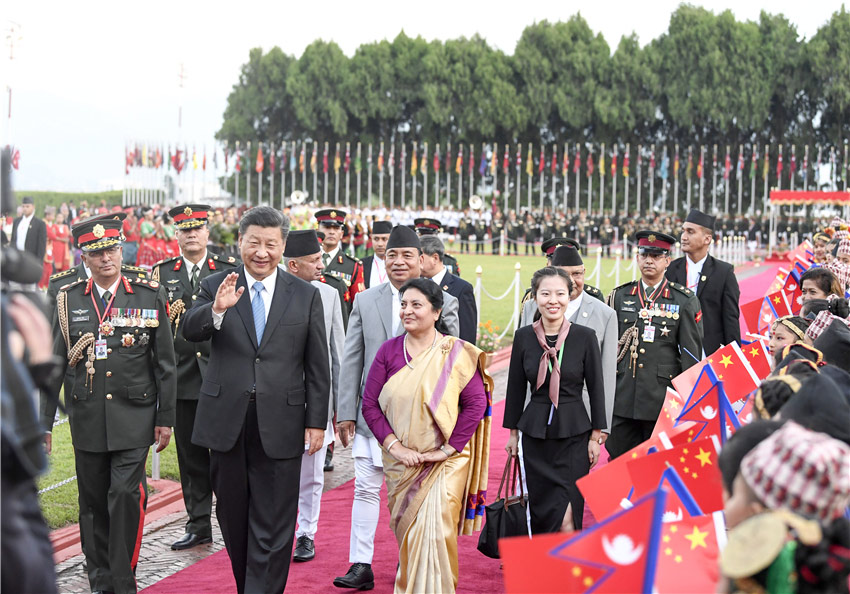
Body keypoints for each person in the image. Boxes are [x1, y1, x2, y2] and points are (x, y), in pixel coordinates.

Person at [181, 206, 330, 594]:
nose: (261, 252)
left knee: (276, 520)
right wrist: (216, 309)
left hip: (282, 421)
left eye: (271, 244)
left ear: (283, 247)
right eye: (254, 243)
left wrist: (317, 422)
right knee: (232, 515)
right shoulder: (218, 284)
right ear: (240, 243)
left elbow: (317, 364)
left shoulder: (305, 294)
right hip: (227, 421)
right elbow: (189, 331)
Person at [43, 213, 176, 594]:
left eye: (112, 250)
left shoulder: (148, 294)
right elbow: (53, 367)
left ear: (122, 250)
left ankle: (122, 577)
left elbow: (164, 363)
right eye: (97, 253)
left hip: (134, 416)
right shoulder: (68, 299)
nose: (107, 259)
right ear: (84, 257)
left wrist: (164, 417)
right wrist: (44, 425)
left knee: (124, 495)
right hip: (87, 417)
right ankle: (99, 576)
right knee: (92, 503)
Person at [334, 225, 459, 591]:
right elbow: (351, 358)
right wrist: (345, 411)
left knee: (414, 494)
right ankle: (361, 563)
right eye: (391, 255)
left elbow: (456, 364)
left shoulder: (445, 303)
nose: (399, 262)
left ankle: (411, 561)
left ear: (421, 260)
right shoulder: (365, 299)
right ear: (382, 259)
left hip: (422, 422)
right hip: (372, 416)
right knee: (366, 489)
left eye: (407, 255)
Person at [361, 278, 491, 593]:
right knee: (411, 535)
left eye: (416, 305)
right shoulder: (388, 351)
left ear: (436, 312)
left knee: (436, 531)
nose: (407, 311)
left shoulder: (455, 353)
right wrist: (396, 447)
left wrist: (448, 450)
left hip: (446, 462)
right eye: (403, 304)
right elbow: (369, 405)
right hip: (401, 462)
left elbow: (476, 404)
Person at [152, 204, 239, 551]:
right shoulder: (161, 275)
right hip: (184, 379)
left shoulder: (229, 271)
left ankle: (232, 519)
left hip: (221, 376)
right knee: (190, 457)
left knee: (226, 455)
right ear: (176, 234)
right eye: (184, 229)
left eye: (197, 228)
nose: (191, 234)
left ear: (207, 232)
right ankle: (198, 523)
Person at [505, 267, 606, 533]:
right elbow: (515, 388)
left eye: (560, 294)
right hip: (536, 435)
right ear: (535, 297)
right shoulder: (524, 337)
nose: (553, 300)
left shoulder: (585, 336)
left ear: (570, 296)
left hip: (574, 435)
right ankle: (544, 570)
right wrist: (513, 435)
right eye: (546, 293)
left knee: (568, 514)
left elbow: (597, 388)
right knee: (541, 511)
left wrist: (596, 436)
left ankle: (568, 572)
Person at [606, 230, 703, 459]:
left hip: (660, 400)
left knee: (655, 463)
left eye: (657, 255)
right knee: (619, 461)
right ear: (638, 258)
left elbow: (691, 356)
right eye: (644, 254)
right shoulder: (621, 296)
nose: (649, 260)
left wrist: (685, 401)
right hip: (623, 397)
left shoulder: (683, 300)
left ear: (668, 261)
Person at [282, 229, 345, 563]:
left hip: (314, 403)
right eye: (315, 260)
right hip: (275, 403)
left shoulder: (329, 294)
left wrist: (340, 408)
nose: (322, 264)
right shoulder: (269, 291)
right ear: (293, 264)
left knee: (312, 475)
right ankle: (277, 531)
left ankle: (306, 533)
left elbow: (338, 353)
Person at [518, 244, 618, 442]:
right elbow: (520, 368)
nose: (572, 281)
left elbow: (606, 375)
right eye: (565, 274)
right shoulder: (531, 307)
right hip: (535, 413)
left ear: (584, 273)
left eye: (577, 274)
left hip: (583, 416)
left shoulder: (605, 314)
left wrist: (603, 425)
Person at [666, 208, 740, 354]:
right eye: (683, 231)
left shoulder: (723, 273)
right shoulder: (670, 270)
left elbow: (731, 319)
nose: (684, 237)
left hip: (710, 352)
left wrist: (734, 356)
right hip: (674, 352)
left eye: (690, 232)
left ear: (707, 239)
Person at [420, 235, 477, 344]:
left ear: (435, 258)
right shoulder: (416, 285)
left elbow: (467, 336)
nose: (417, 262)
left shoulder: (462, 289)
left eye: (421, 258)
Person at [316, 208, 366, 317]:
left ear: (342, 233)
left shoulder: (353, 265)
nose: (331, 232)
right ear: (317, 230)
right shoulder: (308, 261)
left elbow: (359, 307)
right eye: (327, 227)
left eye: (336, 228)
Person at [10, 196, 47, 267]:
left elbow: (41, 246)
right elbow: (13, 240)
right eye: (23, 206)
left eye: (27, 206)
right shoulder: (16, 221)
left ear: (33, 207)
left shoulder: (40, 224)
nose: (25, 209)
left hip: (31, 261)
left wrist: (39, 264)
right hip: (16, 259)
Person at [361, 220, 392, 289]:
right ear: (371, 238)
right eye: (376, 239)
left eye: (384, 239)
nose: (380, 244)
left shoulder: (398, 264)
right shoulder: (361, 264)